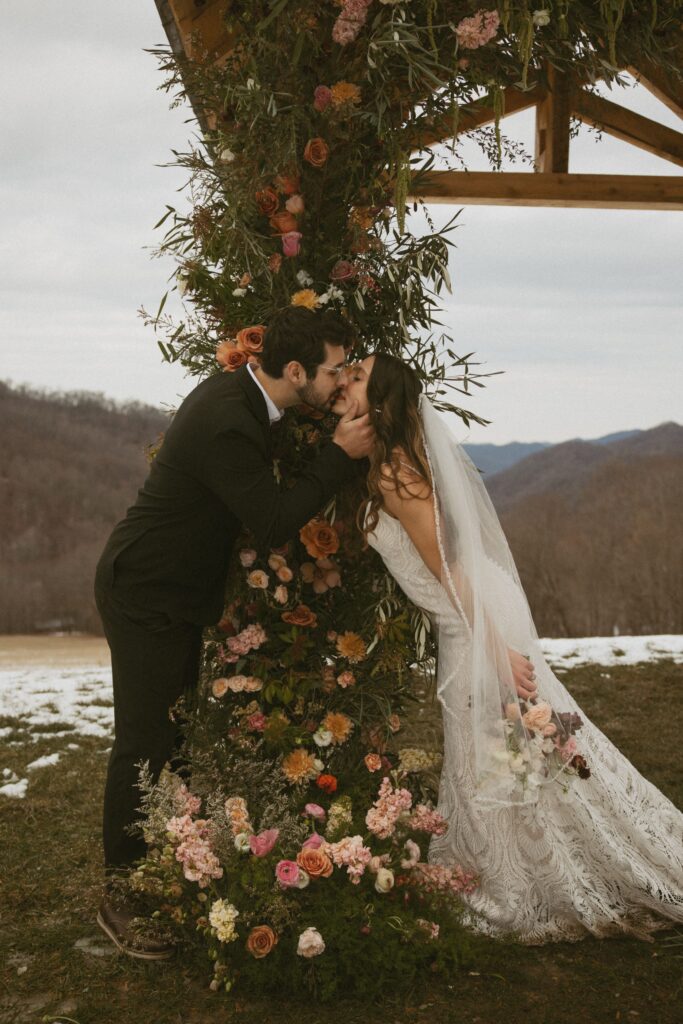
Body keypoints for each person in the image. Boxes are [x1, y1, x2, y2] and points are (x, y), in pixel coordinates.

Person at [331, 352, 683, 943]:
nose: (345, 380)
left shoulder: (395, 473)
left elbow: (449, 571)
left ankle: (526, 882)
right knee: (514, 754)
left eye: (359, 376)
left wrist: (494, 649)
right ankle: (526, 865)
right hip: (469, 619)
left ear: (383, 403)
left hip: (475, 622)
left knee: (508, 752)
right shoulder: (385, 465)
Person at [94, 307, 373, 958]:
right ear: (296, 370)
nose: (341, 381)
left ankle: (168, 867)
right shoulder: (228, 418)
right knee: (142, 741)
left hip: (175, 592)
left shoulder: (253, 399)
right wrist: (337, 456)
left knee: (172, 735)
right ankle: (121, 897)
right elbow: (274, 518)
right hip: (144, 590)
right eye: (335, 369)